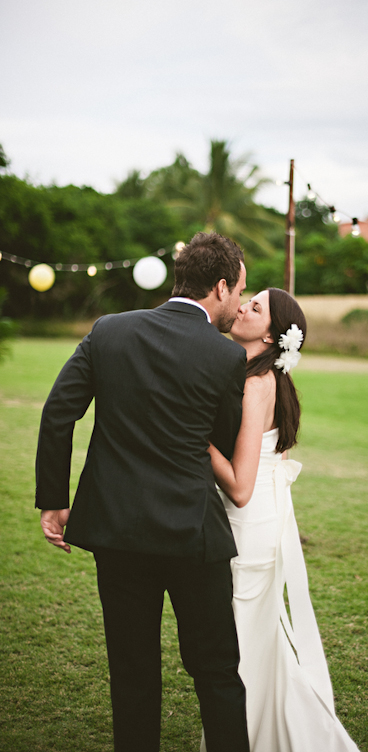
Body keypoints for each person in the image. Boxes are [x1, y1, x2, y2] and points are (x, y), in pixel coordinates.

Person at [35, 232, 250, 752]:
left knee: (132, 672)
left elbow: (59, 411)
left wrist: (53, 500)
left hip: (118, 531)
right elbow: (218, 440)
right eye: (240, 290)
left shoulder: (109, 331)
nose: (240, 303)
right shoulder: (225, 358)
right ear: (220, 287)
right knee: (217, 671)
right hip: (193, 535)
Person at [205, 287, 360, 752]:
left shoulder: (257, 385)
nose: (242, 307)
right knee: (259, 643)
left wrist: (192, 435)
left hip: (247, 527)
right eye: (246, 299)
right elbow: (274, 456)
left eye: (255, 307)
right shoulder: (267, 378)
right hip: (263, 520)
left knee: (243, 651)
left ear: (271, 335)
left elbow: (240, 485)